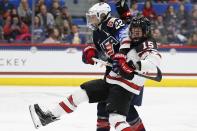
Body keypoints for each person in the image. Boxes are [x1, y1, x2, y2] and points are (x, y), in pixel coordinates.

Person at [29, 3, 161, 131]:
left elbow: (126, 36)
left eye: (93, 16)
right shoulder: (97, 32)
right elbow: (98, 47)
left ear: (102, 15)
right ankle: (49, 116)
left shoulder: (113, 23)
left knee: (118, 115)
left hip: (126, 78)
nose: (90, 19)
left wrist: (124, 57)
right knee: (91, 100)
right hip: (113, 74)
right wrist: (90, 51)